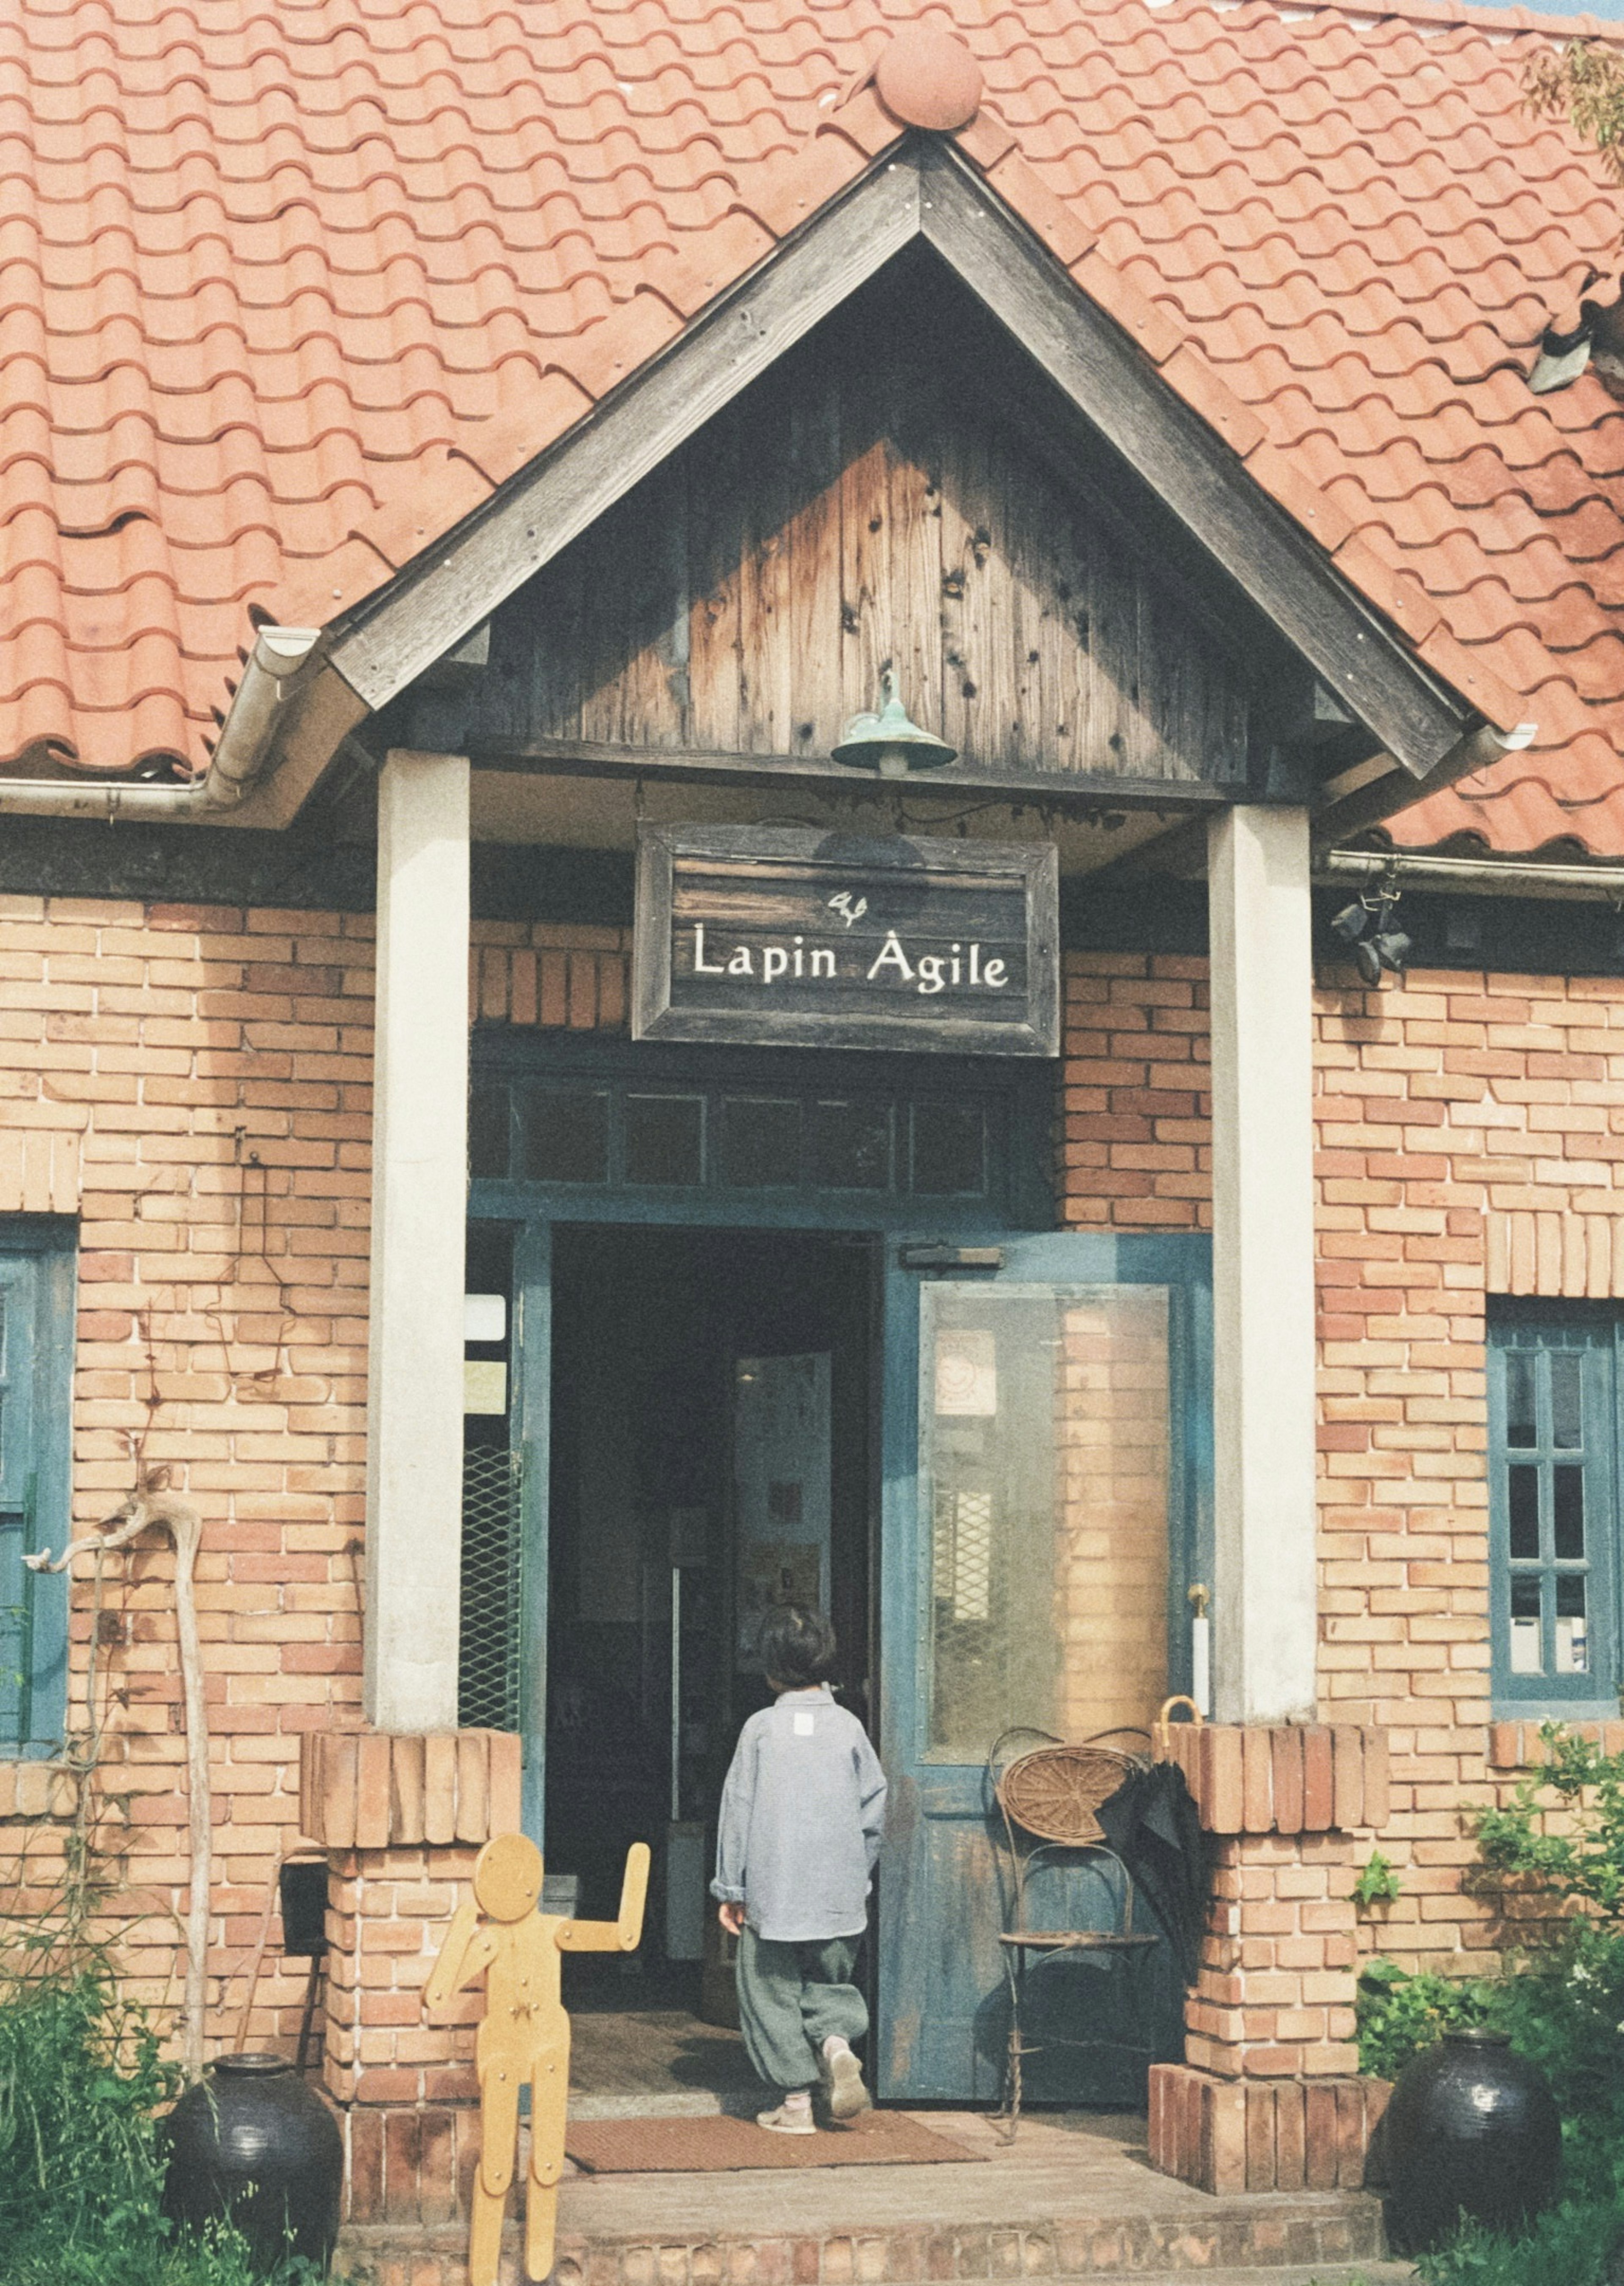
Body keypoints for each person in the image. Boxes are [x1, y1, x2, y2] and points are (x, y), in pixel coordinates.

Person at [711, 1605, 888, 2133]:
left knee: (770, 1993)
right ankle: (836, 2044)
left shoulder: (761, 1730)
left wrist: (731, 1888)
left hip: (774, 1895)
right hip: (838, 1896)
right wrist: (856, 1877)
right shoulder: (849, 1728)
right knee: (829, 1984)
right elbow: (873, 1809)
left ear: (768, 1669)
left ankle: (795, 2105)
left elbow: (737, 1810)